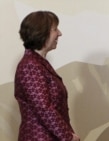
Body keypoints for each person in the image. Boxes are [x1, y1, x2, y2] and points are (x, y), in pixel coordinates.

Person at [14, 11, 80, 141]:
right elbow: (43, 108)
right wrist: (68, 136)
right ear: (41, 33)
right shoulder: (30, 65)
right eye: (55, 29)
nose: (59, 33)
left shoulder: (38, 63)